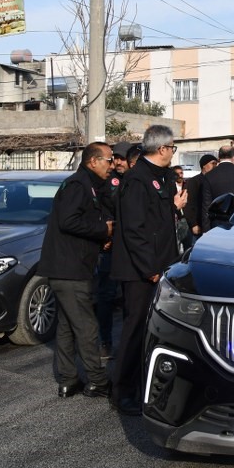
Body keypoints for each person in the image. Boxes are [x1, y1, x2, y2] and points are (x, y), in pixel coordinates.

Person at [111, 125, 187, 415]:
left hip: (162, 265)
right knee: (134, 331)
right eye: (172, 148)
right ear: (163, 148)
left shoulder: (162, 176)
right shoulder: (137, 180)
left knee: (155, 332)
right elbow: (134, 230)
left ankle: (146, 386)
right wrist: (150, 269)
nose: (172, 153)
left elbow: (159, 221)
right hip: (140, 270)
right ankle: (122, 392)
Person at [40, 141, 114, 399]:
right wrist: (103, 230)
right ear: (93, 161)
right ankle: (97, 380)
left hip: (71, 266)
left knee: (67, 326)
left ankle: (68, 380)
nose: (112, 165)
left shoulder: (88, 184)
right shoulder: (78, 185)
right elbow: (69, 221)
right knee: (86, 326)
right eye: (108, 160)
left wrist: (100, 237)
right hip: (69, 268)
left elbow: (79, 223)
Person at [94, 141, 133, 356]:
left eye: (122, 158)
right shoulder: (106, 181)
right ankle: (105, 341)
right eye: (115, 158)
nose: (118, 162)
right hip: (109, 246)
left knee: (131, 298)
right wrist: (105, 234)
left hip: (131, 248)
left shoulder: (137, 180)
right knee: (106, 295)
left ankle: (130, 344)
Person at [199, 143, 234, 232]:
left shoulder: (209, 176)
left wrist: (206, 231)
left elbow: (206, 206)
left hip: (218, 225)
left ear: (218, 157)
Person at [183, 154, 218, 243]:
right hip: (199, 227)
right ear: (204, 166)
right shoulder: (193, 182)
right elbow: (188, 204)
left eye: (216, 163)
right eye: (213, 163)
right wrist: (193, 224)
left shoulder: (215, 180)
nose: (215, 166)